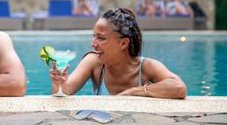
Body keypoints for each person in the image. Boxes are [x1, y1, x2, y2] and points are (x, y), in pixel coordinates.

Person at [49, 8, 187, 99]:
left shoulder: (146, 67)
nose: (93, 44)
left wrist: (134, 91)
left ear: (123, 43)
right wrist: (58, 84)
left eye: (101, 38)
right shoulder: (93, 62)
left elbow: (179, 88)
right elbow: (65, 90)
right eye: (94, 36)